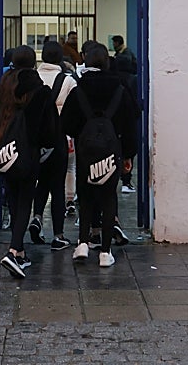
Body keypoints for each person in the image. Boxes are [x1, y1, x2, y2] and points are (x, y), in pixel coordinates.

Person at [60, 43, 140, 268]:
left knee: (85, 196)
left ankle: (82, 243)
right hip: (112, 151)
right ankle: (105, 251)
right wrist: (128, 154)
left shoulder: (78, 89)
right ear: (107, 62)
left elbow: (66, 122)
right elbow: (131, 121)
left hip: (86, 150)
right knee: (108, 198)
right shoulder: (120, 88)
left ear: (85, 61)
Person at [0, 46, 59, 279]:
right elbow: (49, 129)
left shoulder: (2, 87)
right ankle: (13, 250)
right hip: (29, 152)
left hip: (4, 151)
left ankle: (18, 251)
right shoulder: (40, 90)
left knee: (12, 198)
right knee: (25, 202)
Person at [29, 41, 78, 250]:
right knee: (57, 186)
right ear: (60, 59)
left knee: (41, 182)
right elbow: (76, 109)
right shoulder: (68, 81)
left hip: (35, 140)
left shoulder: (33, 79)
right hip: (60, 139)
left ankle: (37, 217)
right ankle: (58, 236)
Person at [110, 35, 139, 193]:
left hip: (113, 124)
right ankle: (126, 181)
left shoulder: (112, 80)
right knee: (127, 152)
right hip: (127, 123)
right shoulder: (133, 80)